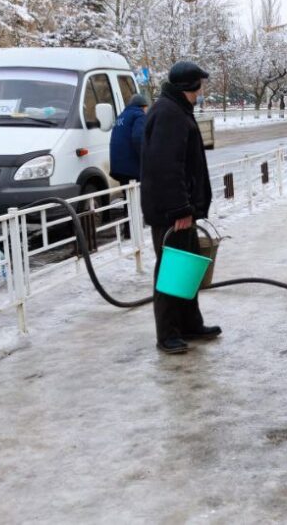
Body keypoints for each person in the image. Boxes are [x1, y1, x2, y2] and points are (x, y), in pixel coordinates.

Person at [141, 61, 222, 354]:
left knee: (186, 269)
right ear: (189, 86)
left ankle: (189, 324)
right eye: (201, 84)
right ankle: (168, 333)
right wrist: (180, 209)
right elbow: (166, 167)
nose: (203, 89)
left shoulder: (175, 110)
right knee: (172, 271)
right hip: (172, 212)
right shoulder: (169, 114)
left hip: (181, 208)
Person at [110, 94, 149, 185]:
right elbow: (138, 138)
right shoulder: (139, 115)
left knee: (127, 195)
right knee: (139, 196)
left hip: (117, 168)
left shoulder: (121, 116)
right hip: (132, 169)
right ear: (143, 107)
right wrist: (147, 159)